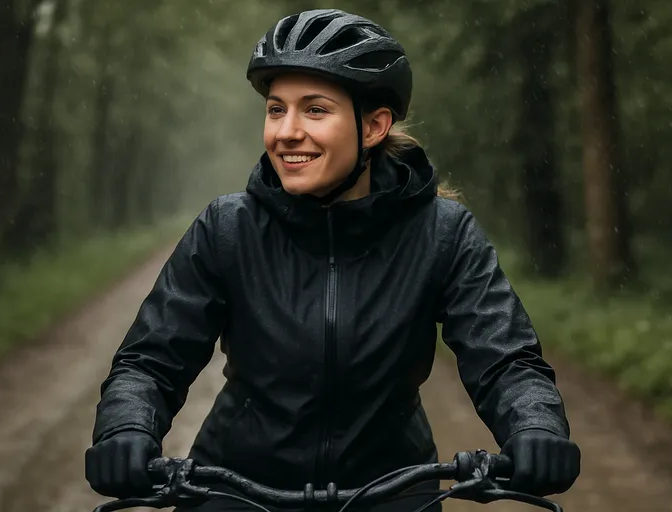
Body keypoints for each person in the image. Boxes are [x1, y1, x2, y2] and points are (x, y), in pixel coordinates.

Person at [84, 8, 581, 512]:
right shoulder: (227, 229)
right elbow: (151, 361)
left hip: (392, 492)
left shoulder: (442, 234)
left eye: (315, 110)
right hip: (237, 489)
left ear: (373, 127)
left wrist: (534, 423)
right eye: (276, 109)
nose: (286, 132)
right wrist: (127, 426)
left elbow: (505, 360)